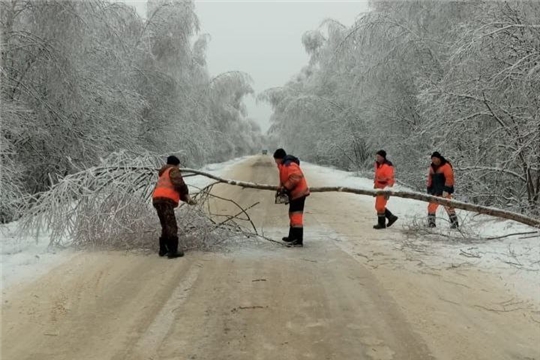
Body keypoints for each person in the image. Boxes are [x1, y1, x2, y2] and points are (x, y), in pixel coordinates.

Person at [152, 155, 197, 258]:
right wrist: (186, 193)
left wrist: (186, 199)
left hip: (157, 199)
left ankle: (163, 250)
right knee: (171, 225)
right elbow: (179, 184)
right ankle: (173, 251)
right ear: (176, 164)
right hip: (166, 200)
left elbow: (172, 188)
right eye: (178, 165)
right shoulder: (173, 170)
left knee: (165, 224)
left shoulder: (163, 173)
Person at [273, 148, 310, 247]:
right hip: (295, 194)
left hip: (299, 193)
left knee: (296, 216)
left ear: (279, 158)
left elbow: (296, 177)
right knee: (292, 214)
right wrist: (280, 189)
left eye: (275, 159)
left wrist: (286, 188)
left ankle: (298, 241)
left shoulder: (289, 164)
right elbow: (284, 179)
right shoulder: (283, 165)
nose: (275, 161)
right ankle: (292, 236)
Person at [427, 152, 459, 228]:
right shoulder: (432, 167)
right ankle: (431, 223)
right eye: (432, 159)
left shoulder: (446, 166)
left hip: (444, 192)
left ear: (439, 158)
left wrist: (446, 190)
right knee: (431, 207)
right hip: (435, 191)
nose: (433, 160)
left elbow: (449, 178)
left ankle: (455, 224)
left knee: (449, 207)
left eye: (435, 158)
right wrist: (429, 188)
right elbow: (430, 178)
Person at [373, 150, 398, 229]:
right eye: (376, 156)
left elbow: (391, 179)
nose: (377, 158)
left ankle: (381, 223)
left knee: (380, 206)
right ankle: (391, 217)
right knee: (378, 206)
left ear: (383, 157)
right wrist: (375, 186)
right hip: (378, 188)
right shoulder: (377, 165)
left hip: (385, 188)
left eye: (379, 157)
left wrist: (388, 189)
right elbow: (377, 177)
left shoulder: (387, 166)